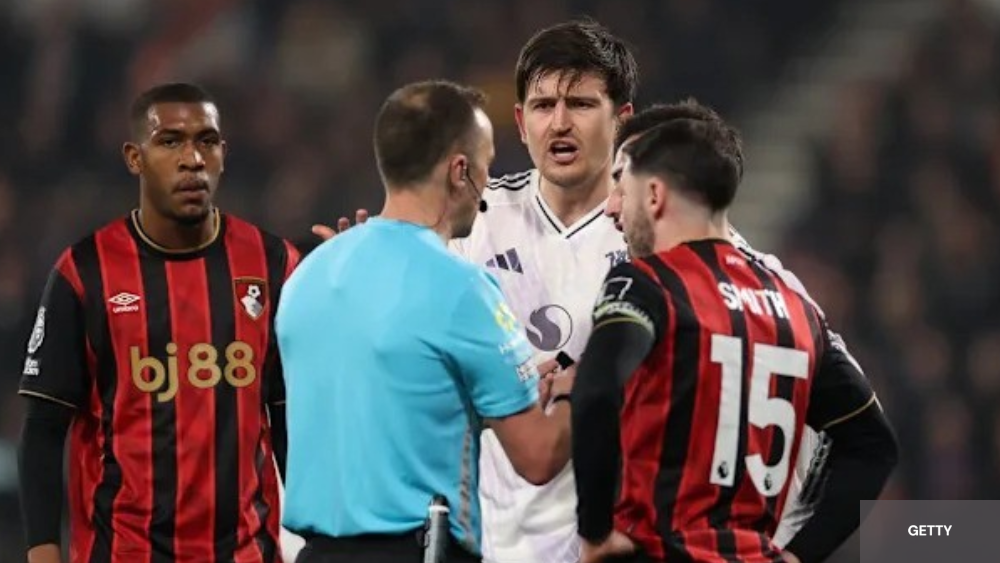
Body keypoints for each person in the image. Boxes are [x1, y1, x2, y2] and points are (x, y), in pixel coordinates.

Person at [571, 114, 898, 563]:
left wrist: (595, 532)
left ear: (654, 195)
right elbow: (874, 446)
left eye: (620, 188)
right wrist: (801, 554)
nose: (611, 208)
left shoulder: (647, 283)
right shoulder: (797, 308)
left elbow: (596, 390)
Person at [275, 79, 573, 563]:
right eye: (486, 166)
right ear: (460, 170)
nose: (488, 183)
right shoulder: (462, 288)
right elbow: (538, 456)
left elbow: (385, 408)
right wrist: (576, 390)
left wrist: (488, 400)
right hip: (416, 551)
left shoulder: (306, 276)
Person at [17, 83, 299, 563]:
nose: (192, 159)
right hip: (123, 552)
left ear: (223, 154)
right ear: (134, 157)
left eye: (206, 141)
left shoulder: (274, 265)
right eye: (170, 141)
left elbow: (292, 418)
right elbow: (44, 428)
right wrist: (43, 552)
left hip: (247, 554)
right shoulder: (85, 272)